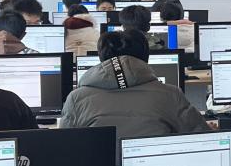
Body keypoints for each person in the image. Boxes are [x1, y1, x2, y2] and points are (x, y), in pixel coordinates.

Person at [59, 28, 208, 142]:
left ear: (102, 59)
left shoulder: (76, 99)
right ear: (146, 57)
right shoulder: (171, 94)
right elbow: (202, 138)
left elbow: (66, 147)